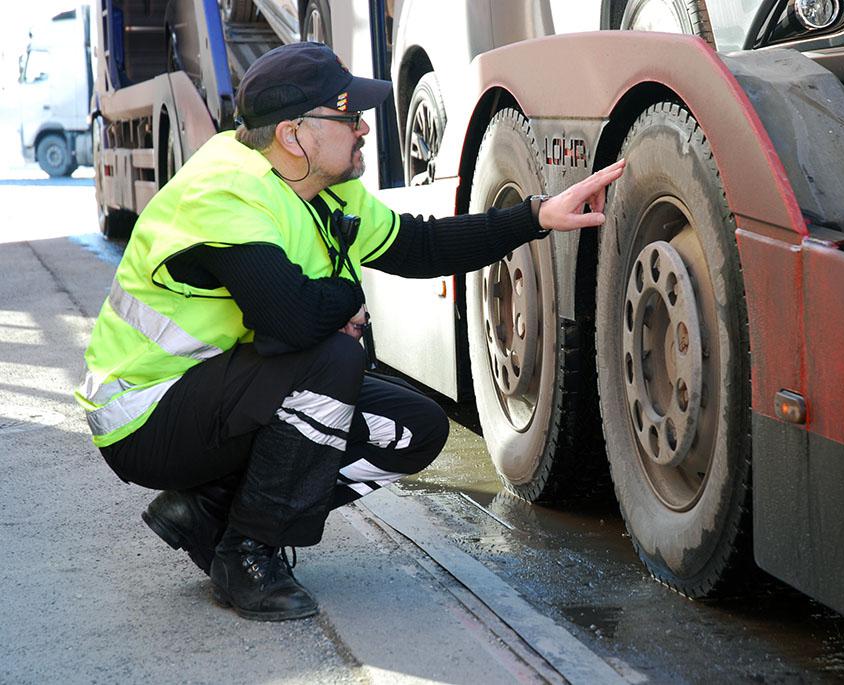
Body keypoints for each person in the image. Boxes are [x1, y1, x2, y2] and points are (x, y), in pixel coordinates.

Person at [76, 41, 625, 622]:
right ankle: (247, 555)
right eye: (347, 117)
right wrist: (347, 301)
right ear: (294, 135)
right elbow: (288, 322)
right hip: (146, 415)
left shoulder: (323, 187)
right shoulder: (226, 192)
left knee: (414, 429)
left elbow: (420, 245)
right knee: (332, 358)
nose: (364, 128)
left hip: (222, 396)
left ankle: (209, 508)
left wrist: (537, 215)